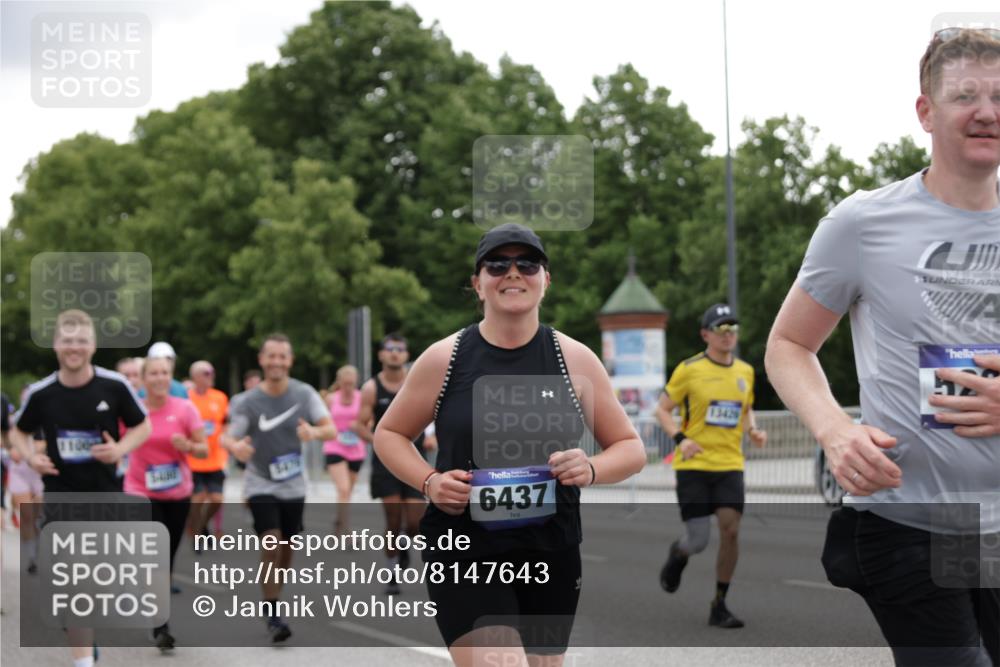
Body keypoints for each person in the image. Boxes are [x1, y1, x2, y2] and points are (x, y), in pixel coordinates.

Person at [765, 28, 1000, 667]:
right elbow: (788, 344)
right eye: (966, 96)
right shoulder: (863, 223)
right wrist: (835, 431)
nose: (986, 111)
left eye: (998, 96)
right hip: (907, 523)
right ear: (926, 112)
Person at [374, 223, 646, 666]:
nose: (513, 272)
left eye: (528, 263)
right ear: (477, 283)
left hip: (550, 547)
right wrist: (429, 482)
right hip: (464, 545)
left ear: (546, 280)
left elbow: (630, 448)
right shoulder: (445, 358)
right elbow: (389, 434)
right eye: (497, 264)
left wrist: (591, 467)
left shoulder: (574, 358)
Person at [10, 309, 151, 667]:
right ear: (56, 344)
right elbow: (18, 432)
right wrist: (32, 457)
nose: (74, 347)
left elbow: (143, 426)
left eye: (81, 340)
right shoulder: (42, 393)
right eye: (67, 340)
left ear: (93, 344)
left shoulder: (114, 386)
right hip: (61, 495)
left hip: (105, 495)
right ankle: (84, 660)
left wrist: (120, 449)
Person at [654, 304, 767, 628]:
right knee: (699, 540)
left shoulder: (745, 371)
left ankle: (719, 604)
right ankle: (679, 553)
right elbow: (662, 410)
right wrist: (681, 439)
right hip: (694, 465)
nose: (728, 334)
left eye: (732, 328)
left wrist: (753, 430)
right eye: (721, 328)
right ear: (706, 334)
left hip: (729, 464)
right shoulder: (689, 370)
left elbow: (746, 409)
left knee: (731, 530)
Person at [221, 333, 335, 643]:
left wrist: (313, 432)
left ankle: (273, 596)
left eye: (282, 356)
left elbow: (330, 429)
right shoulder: (247, 401)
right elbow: (228, 436)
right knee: (271, 542)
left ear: (290, 360)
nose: (276, 362)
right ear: (261, 360)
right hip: (260, 481)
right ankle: (272, 612)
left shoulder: (304, 393)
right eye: (271, 356)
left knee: (286, 549)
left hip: (294, 483)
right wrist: (236, 447)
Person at [124, 355, 207, 651]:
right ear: (144, 378)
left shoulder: (184, 408)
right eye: (154, 373)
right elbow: (116, 441)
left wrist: (189, 446)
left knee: (167, 556)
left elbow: (204, 449)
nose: (160, 378)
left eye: (165, 373)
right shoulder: (133, 410)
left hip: (177, 492)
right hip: (139, 489)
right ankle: (161, 625)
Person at [355, 334, 435, 595]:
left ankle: (403, 544)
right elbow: (359, 424)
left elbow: (434, 413)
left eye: (400, 349)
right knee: (392, 519)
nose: (395, 353)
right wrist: (381, 441)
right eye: (390, 349)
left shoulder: (416, 381)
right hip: (386, 463)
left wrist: (432, 436)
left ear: (406, 354)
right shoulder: (371, 388)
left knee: (414, 522)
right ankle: (392, 573)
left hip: (415, 460)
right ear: (381, 354)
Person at [185, 360, 229, 546]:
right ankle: (196, 531)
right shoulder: (187, 398)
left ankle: (202, 525)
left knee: (217, 499)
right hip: (193, 458)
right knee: (197, 499)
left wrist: (227, 442)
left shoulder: (220, 397)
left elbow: (225, 423)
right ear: (195, 377)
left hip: (215, 458)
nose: (210, 376)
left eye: (212, 372)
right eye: (205, 373)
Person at [322, 365, 366, 536]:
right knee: (344, 489)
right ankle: (346, 531)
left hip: (356, 448)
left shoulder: (362, 397)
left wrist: (360, 426)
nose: (348, 387)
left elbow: (368, 420)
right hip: (334, 446)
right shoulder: (331, 399)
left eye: (352, 384)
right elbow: (322, 421)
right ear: (339, 382)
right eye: (345, 383)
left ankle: (338, 520)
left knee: (347, 492)